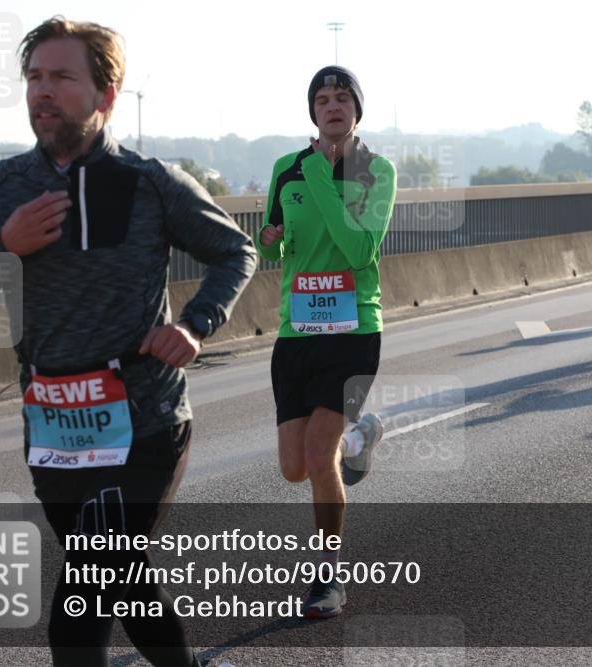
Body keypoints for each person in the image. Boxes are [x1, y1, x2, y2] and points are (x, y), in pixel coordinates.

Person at [0, 17, 256, 667]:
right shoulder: (1, 188)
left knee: (87, 588)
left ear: (107, 96)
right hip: (54, 427)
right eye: (33, 78)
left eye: (61, 77)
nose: (42, 91)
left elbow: (234, 250)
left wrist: (195, 323)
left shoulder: (149, 182)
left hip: (144, 418)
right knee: (120, 577)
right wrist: (4, 247)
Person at [255, 65, 397, 618]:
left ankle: (327, 579)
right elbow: (276, 247)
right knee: (295, 467)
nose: (332, 106)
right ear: (311, 111)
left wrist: (320, 172)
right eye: (322, 98)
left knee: (318, 456)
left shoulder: (374, 170)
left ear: (357, 110)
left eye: (342, 98)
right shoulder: (284, 169)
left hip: (354, 329)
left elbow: (360, 250)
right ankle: (358, 439)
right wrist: (270, 240)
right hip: (297, 330)